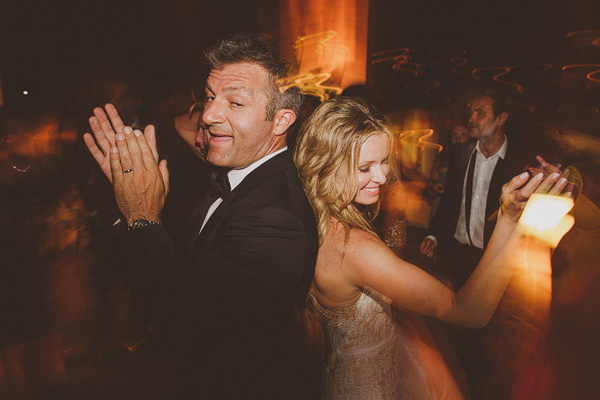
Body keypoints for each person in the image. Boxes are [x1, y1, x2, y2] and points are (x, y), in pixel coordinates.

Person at [83, 33, 320, 399]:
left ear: (281, 120)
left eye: (235, 102)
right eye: (210, 96)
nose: (208, 115)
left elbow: (184, 326)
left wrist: (143, 214)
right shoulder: (238, 179)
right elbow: (177, 259)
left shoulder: (276, 219)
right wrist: (128, 205)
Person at [293, 97, 570, 399]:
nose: (383, 177)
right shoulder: (355, 248)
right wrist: (513, 219)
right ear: (325, 163)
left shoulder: (312, 221)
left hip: (342, 375)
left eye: (384, 161)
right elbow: (468, 311)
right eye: (365, 167)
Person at [419, 89, 530, 288]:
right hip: (456, 253)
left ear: (501, 118)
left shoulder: (517, 161)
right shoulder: (461, 153)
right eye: (471, 112)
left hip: (493, 259)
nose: (472, 118)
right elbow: (450, 200)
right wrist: (433, 235)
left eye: (480, 113)